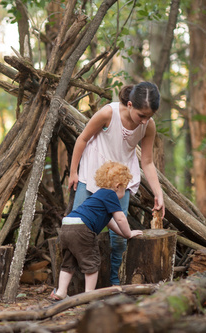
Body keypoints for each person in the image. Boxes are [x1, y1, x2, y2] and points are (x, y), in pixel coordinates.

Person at [68, 81, 165, 286]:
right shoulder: (108, 113)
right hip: (93, 173)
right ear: (130, 105)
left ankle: (114, 282)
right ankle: (71, 285)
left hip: (120, 181)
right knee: (78, 228)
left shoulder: (148, 126)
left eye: (149, 116)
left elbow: (147, 162)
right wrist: (74, 171)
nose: (145, 120)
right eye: (141, 115)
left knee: (119, 236)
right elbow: (83, 139)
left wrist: (159, 193)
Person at [49, 162, 143, 301]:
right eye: (125, 188)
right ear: (118, 186)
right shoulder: (111, 195)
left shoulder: (100, 195)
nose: (125, 192)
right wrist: (129, 234)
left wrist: (123, 234)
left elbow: (110, 223)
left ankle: (61, 292)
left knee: (68, 262)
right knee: (91, 263)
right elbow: (121, 219)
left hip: (67, 225)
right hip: (82, 229)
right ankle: (89, 295)